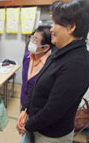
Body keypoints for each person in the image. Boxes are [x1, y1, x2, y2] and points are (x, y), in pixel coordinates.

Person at [17, 0, 89, 143]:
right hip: (35, 124)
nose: (51, 29)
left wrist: (28, 124)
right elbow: (37, 83)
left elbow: (54, 110)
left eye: (55, 23)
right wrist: (25, 110)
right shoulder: (58, 51)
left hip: (51, 135)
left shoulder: (78, 63)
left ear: (71, 27)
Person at [20, 25, 54, 106]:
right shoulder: (27, 57)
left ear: (45, 48)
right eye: (32, 37)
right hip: (23, 103)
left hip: (36, 109)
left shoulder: (50, 65)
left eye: (35, 40)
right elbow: (24, 83)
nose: (31, 41)